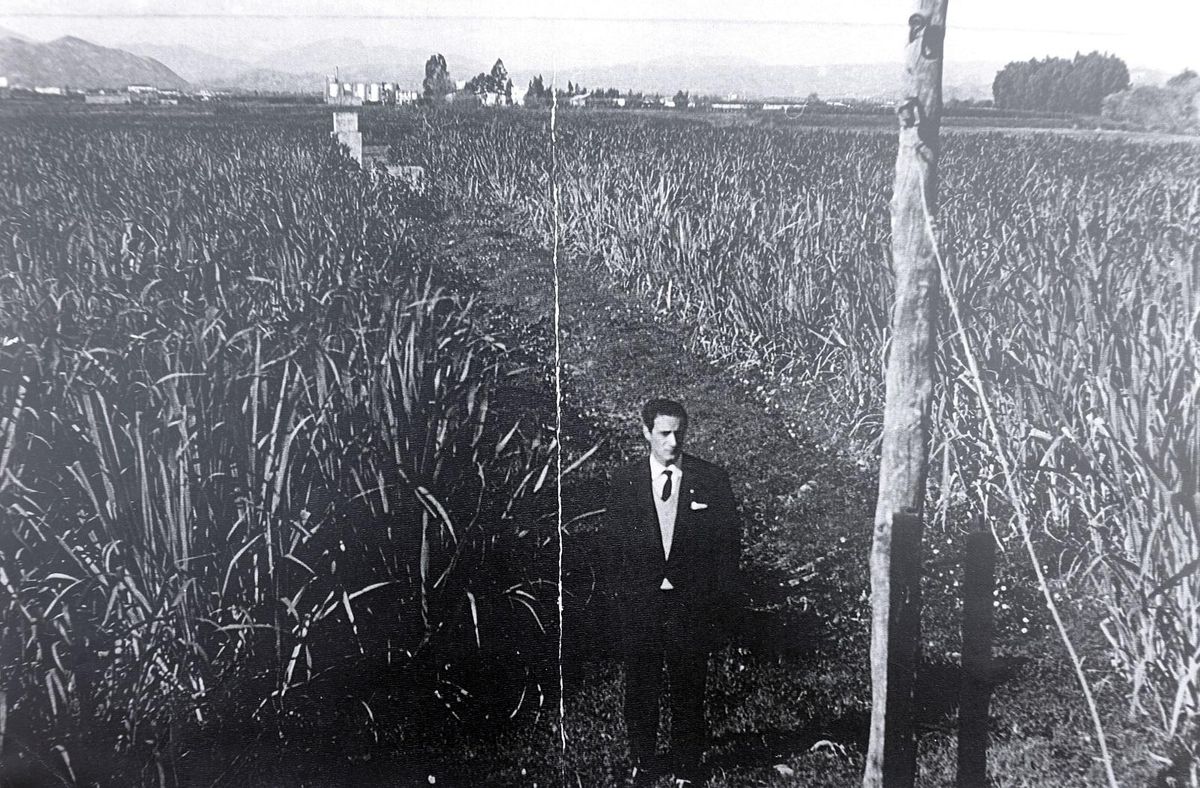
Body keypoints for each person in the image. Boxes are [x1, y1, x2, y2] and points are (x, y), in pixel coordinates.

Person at [603, 398, 741, 787]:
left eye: (679, 432)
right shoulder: (625, 480)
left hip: (690, 601)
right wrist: (621, 598)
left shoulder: (710, 479)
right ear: (646, 432)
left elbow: (728, 546)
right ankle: (643, 761)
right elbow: (611, 546)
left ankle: (686, 766)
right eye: (663, 433)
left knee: (689, 683)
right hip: (642, 601)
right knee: (641, 683)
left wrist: (719, 603)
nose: (673, 441)